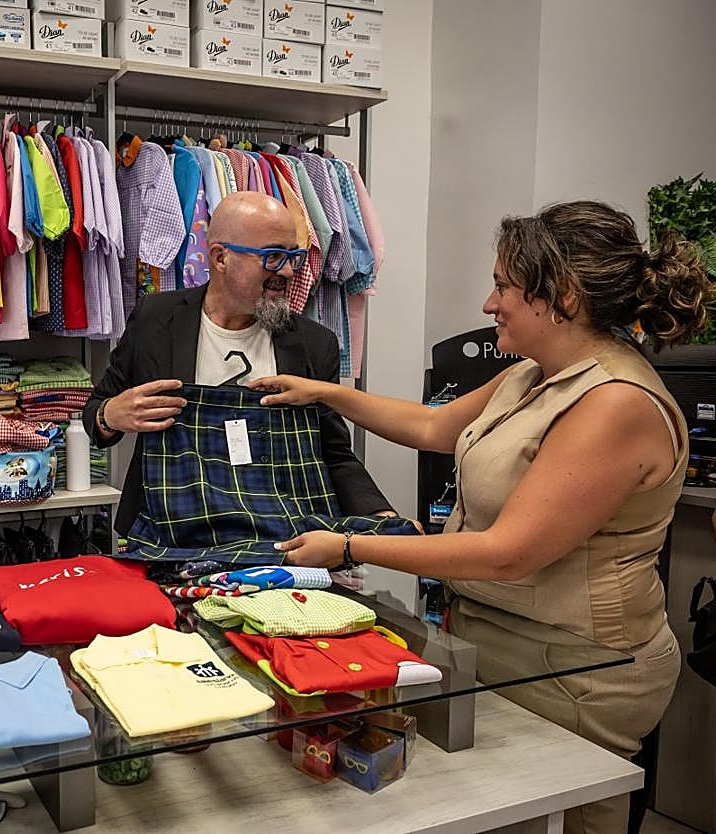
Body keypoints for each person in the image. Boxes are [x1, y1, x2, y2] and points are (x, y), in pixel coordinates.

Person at [250, 200, 714, 834]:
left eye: (503, 286)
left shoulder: (614, 403)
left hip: (575, 667)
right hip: (499, 637)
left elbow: (508, 552)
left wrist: (351, 547)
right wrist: (323, 392)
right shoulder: (534, 373)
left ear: (564, 296)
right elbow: (434, 426)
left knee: (562, 818)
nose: (489, 304)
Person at [84, 191, 395, 536]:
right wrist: (109, 415)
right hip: (169, 536)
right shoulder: (155, 320)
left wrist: (379, 515)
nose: (289, 271)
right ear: (220, 258)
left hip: (280, 540)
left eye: (294, 256)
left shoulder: (314, 345)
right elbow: (96, 413)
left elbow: (334, 453)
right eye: (273, 257)